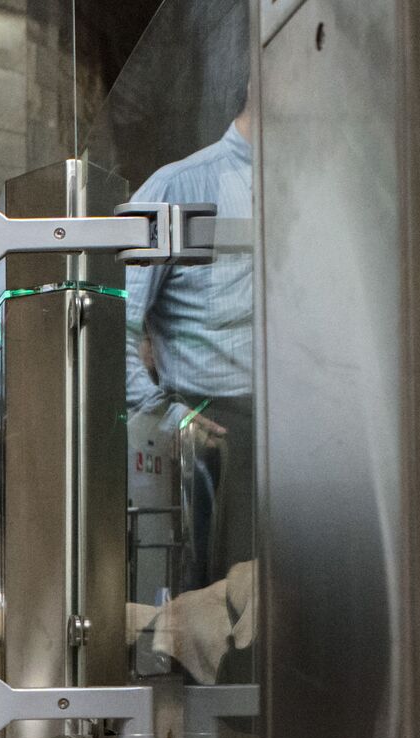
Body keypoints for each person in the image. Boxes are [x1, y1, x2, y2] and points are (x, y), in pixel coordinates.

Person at [124, 94, 254, 598]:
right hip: (219, 435)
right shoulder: (177, 187)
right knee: (226, 619)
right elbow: (116, 321)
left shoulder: (313, 191)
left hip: (300, 430)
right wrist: (165, 412)